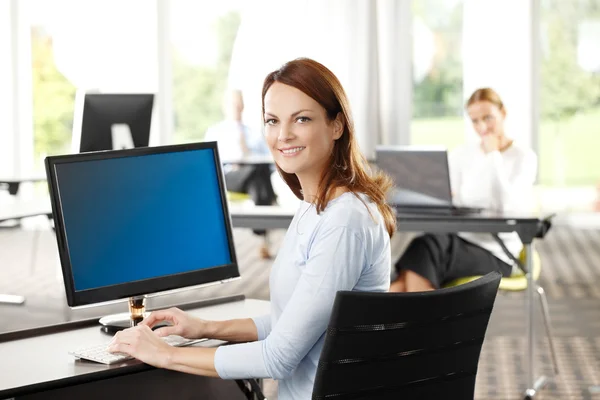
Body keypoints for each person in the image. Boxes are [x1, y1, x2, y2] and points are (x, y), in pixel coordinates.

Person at [109, 58, 397, 399]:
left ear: (337, 126)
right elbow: (289, 323)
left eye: (301, 119)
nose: (283, 135)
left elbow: (278, 357)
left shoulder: (345, 220)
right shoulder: (314, 206)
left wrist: (165, 354)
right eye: (272, 121)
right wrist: (203, 328)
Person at [389, 87, 538, 293]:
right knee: (422, 246)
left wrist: (493, 156)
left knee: (423, 252)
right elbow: (452, 197)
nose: (483, 126)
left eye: (488, 118)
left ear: (503, 113)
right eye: (475, 121)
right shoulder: (462, 154)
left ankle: (380, 315)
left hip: (498, 251)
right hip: (459, 238)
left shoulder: (523, 157)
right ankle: (415, 321)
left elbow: (508, 206)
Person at [204, 89, 277, 259]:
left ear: (243, 106)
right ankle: (265, 229)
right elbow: (210, 165)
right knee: (258, 171)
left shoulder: (253, 133)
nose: (236, 108)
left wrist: (250, 161)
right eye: (232, 104)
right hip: (229, 177)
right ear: (224, 107)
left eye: (238, 104)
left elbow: (270, 163)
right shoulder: (216, 131)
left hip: (252, 179)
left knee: (258, 174)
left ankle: (261, 231)